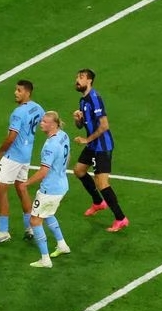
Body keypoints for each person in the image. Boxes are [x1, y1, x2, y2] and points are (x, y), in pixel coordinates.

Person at [0, 80, 45, 245]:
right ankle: (30, 228)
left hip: (13, 157)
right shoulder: (37, 108)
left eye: (19, 90)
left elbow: (12, 136)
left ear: (27, 92)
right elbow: (45, 122)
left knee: (0, 190)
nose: (15, 93)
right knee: (22, 188)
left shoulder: (18, 113)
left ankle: (3, 231)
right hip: (26, 156)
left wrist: (0, 152)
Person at [72, 69, 128, 232]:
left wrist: (86, 140)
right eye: (77, 77)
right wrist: (78, 121)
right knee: (79, 171)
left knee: (102, 183)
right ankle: (98, 202)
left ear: (89, 81)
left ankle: (121, 218)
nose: (77, 80)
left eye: (81, 77)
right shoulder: (83, 100)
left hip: (102, 146)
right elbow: (85, 124)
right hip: (92, 144)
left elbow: (104, 126)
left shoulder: (95, 99)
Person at [22, 112, 72, 268]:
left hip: (50, 189)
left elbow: (43, 171)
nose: (41, 123)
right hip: (62, 183)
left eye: (44, 122)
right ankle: (62, 245)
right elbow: (68, 156)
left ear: (53, 125)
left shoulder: (51, 146)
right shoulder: (63, 135)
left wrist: (26, 183)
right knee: (48, 213)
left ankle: (45, 259)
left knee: (35, 220)